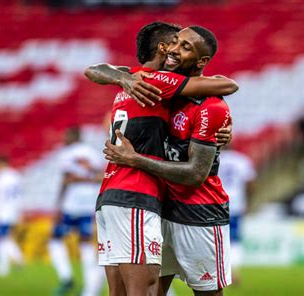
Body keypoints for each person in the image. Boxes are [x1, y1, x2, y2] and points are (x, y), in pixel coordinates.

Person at [84, 22, 237, 296]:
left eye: (185, 46)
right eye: (175, 41)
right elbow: (99, 69)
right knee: (148, 291)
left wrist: (136, 159)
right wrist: (124, 78)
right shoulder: (157, 84)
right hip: (157, 203)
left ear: (201, 60)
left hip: (197, 210)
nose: (175, 49)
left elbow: (195, 172)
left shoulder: (203, 102)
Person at [48, 127, 105, 296]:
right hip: (89, 205)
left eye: (65, 136)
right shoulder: (93, 154)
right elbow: (102, 176)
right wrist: (86, 179)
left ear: (72, 137)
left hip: (71, 205)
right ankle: (89, 286)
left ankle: (66, 278)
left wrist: (58, 206)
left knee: (55, 239)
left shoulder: (66, 154)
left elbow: (66, 181)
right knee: (86, 243)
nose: (63, 139)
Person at [217, 146, 256, 285]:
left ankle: (219, 271)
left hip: (217, 204)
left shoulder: (216, 158)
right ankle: (234, 271)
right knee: (234, 240)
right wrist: (248, 201)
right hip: (236, 205)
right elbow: (250, 183)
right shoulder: (242, 160)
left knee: (217, 238)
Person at [0, 154, 25, 276]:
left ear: (0, 163)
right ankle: (18, 258)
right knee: (4, 237)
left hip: (2, 210)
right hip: (13, 210)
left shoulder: (0, 177)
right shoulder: (15, 175)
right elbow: (20, 194)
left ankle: (3, 266)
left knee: (0, 238)